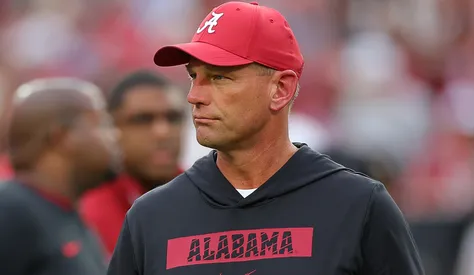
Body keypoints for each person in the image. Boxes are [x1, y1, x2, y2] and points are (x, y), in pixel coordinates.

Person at [108, 2, 424, 275]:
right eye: (193, 76)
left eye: (219, 77)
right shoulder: (151, 218)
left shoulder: (358, 207)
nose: (194, 96)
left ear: (281, 89)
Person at [0, 77, 120, 275]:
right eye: (102, 124)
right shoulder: (10, 211)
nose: (115, 135)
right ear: (62, 137)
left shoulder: (66, 214)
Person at [80, 70, 186, 256]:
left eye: (172, 118)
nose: (162, 131)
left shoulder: (205, 195)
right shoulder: (91, 212)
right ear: (111, 128)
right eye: (142, 120)